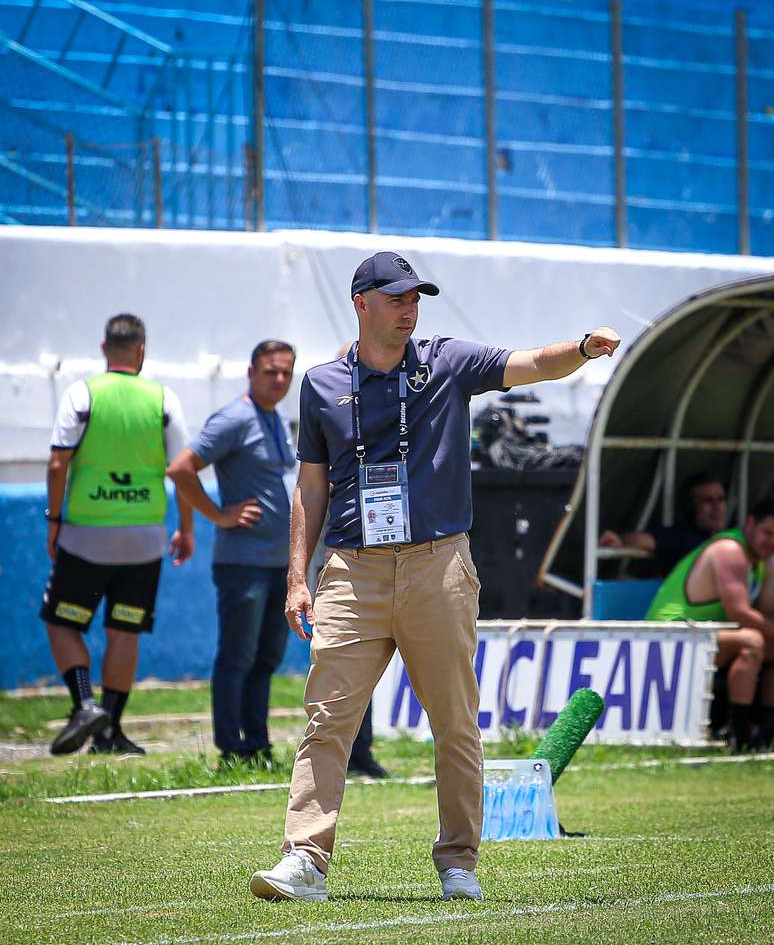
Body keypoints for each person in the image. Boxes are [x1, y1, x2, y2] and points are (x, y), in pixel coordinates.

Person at [249, 250, 620, 902]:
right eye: (396, 298)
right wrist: (296, 578)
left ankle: (458, 863)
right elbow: (309, 486)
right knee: (326, 720)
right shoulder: (319, 384)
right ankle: (304, 859)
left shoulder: (447, 361)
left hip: (438, 565)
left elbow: (529, 363)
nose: (409, 309)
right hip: (350, 571)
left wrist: (584, 348)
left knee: (454, 723)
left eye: (416, 297)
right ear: (361, 303)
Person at [41, 313, 194, 756]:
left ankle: (85, 703)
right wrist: (185, 528)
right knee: (124, 632)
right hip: (144, 537)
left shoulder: (82, 393)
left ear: (104, 349)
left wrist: (54, 519)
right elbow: (182, 470)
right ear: (142, 350)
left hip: (87, 534)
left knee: (61, 622)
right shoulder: (163, 398)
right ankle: (110, 732)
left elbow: (57, 463)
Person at [167, 340, 296, 765]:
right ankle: (231, 747)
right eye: (270, 371)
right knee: (237, 656)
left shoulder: (275, 418)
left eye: (285, 373)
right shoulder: (235, 417)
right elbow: (181, 469)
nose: (279, 380)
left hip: (278, 563)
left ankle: (257, 744)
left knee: (266, 658)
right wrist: (217, 515)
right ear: (251, 372)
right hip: (242, 563)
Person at [646, 498, 774, 752]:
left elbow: (765, 613)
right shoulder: (729, 549)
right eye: (768, 533)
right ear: (750, 524)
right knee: (753, 642)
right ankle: (739, 736)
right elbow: (739, 613)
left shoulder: (762, 559)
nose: (772, 542)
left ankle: (766, 734)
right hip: (669, 635)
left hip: (703, 636)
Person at [599, 473, 727, 576]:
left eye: (721, 499)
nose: (717, 507)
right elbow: (642, 539)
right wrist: (619, 540)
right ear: (691, 507)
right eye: (708, 501)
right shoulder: (682, 538)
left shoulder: (732, 537)